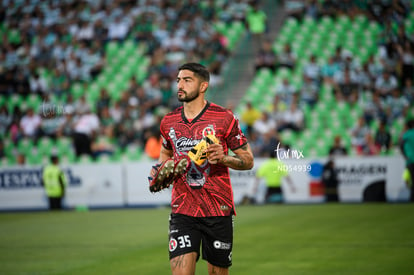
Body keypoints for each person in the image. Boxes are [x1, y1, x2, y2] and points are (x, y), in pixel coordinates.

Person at [153, 63, 254, 275]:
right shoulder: (168, 121)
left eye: (187, 80)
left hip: (218, 209)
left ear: (203, 86)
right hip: (183, 209)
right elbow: (165, 153)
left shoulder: (224, 118)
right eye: (178, 80)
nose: (180, 85)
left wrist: (224, 158)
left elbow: (248, 160)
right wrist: (164, 168)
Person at [401, 119, 414, 202]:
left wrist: (404, 155)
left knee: (411, 180)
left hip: (410, 160)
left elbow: (401, 145)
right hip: (411, 160)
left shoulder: (406, 134)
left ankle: (411, 198)